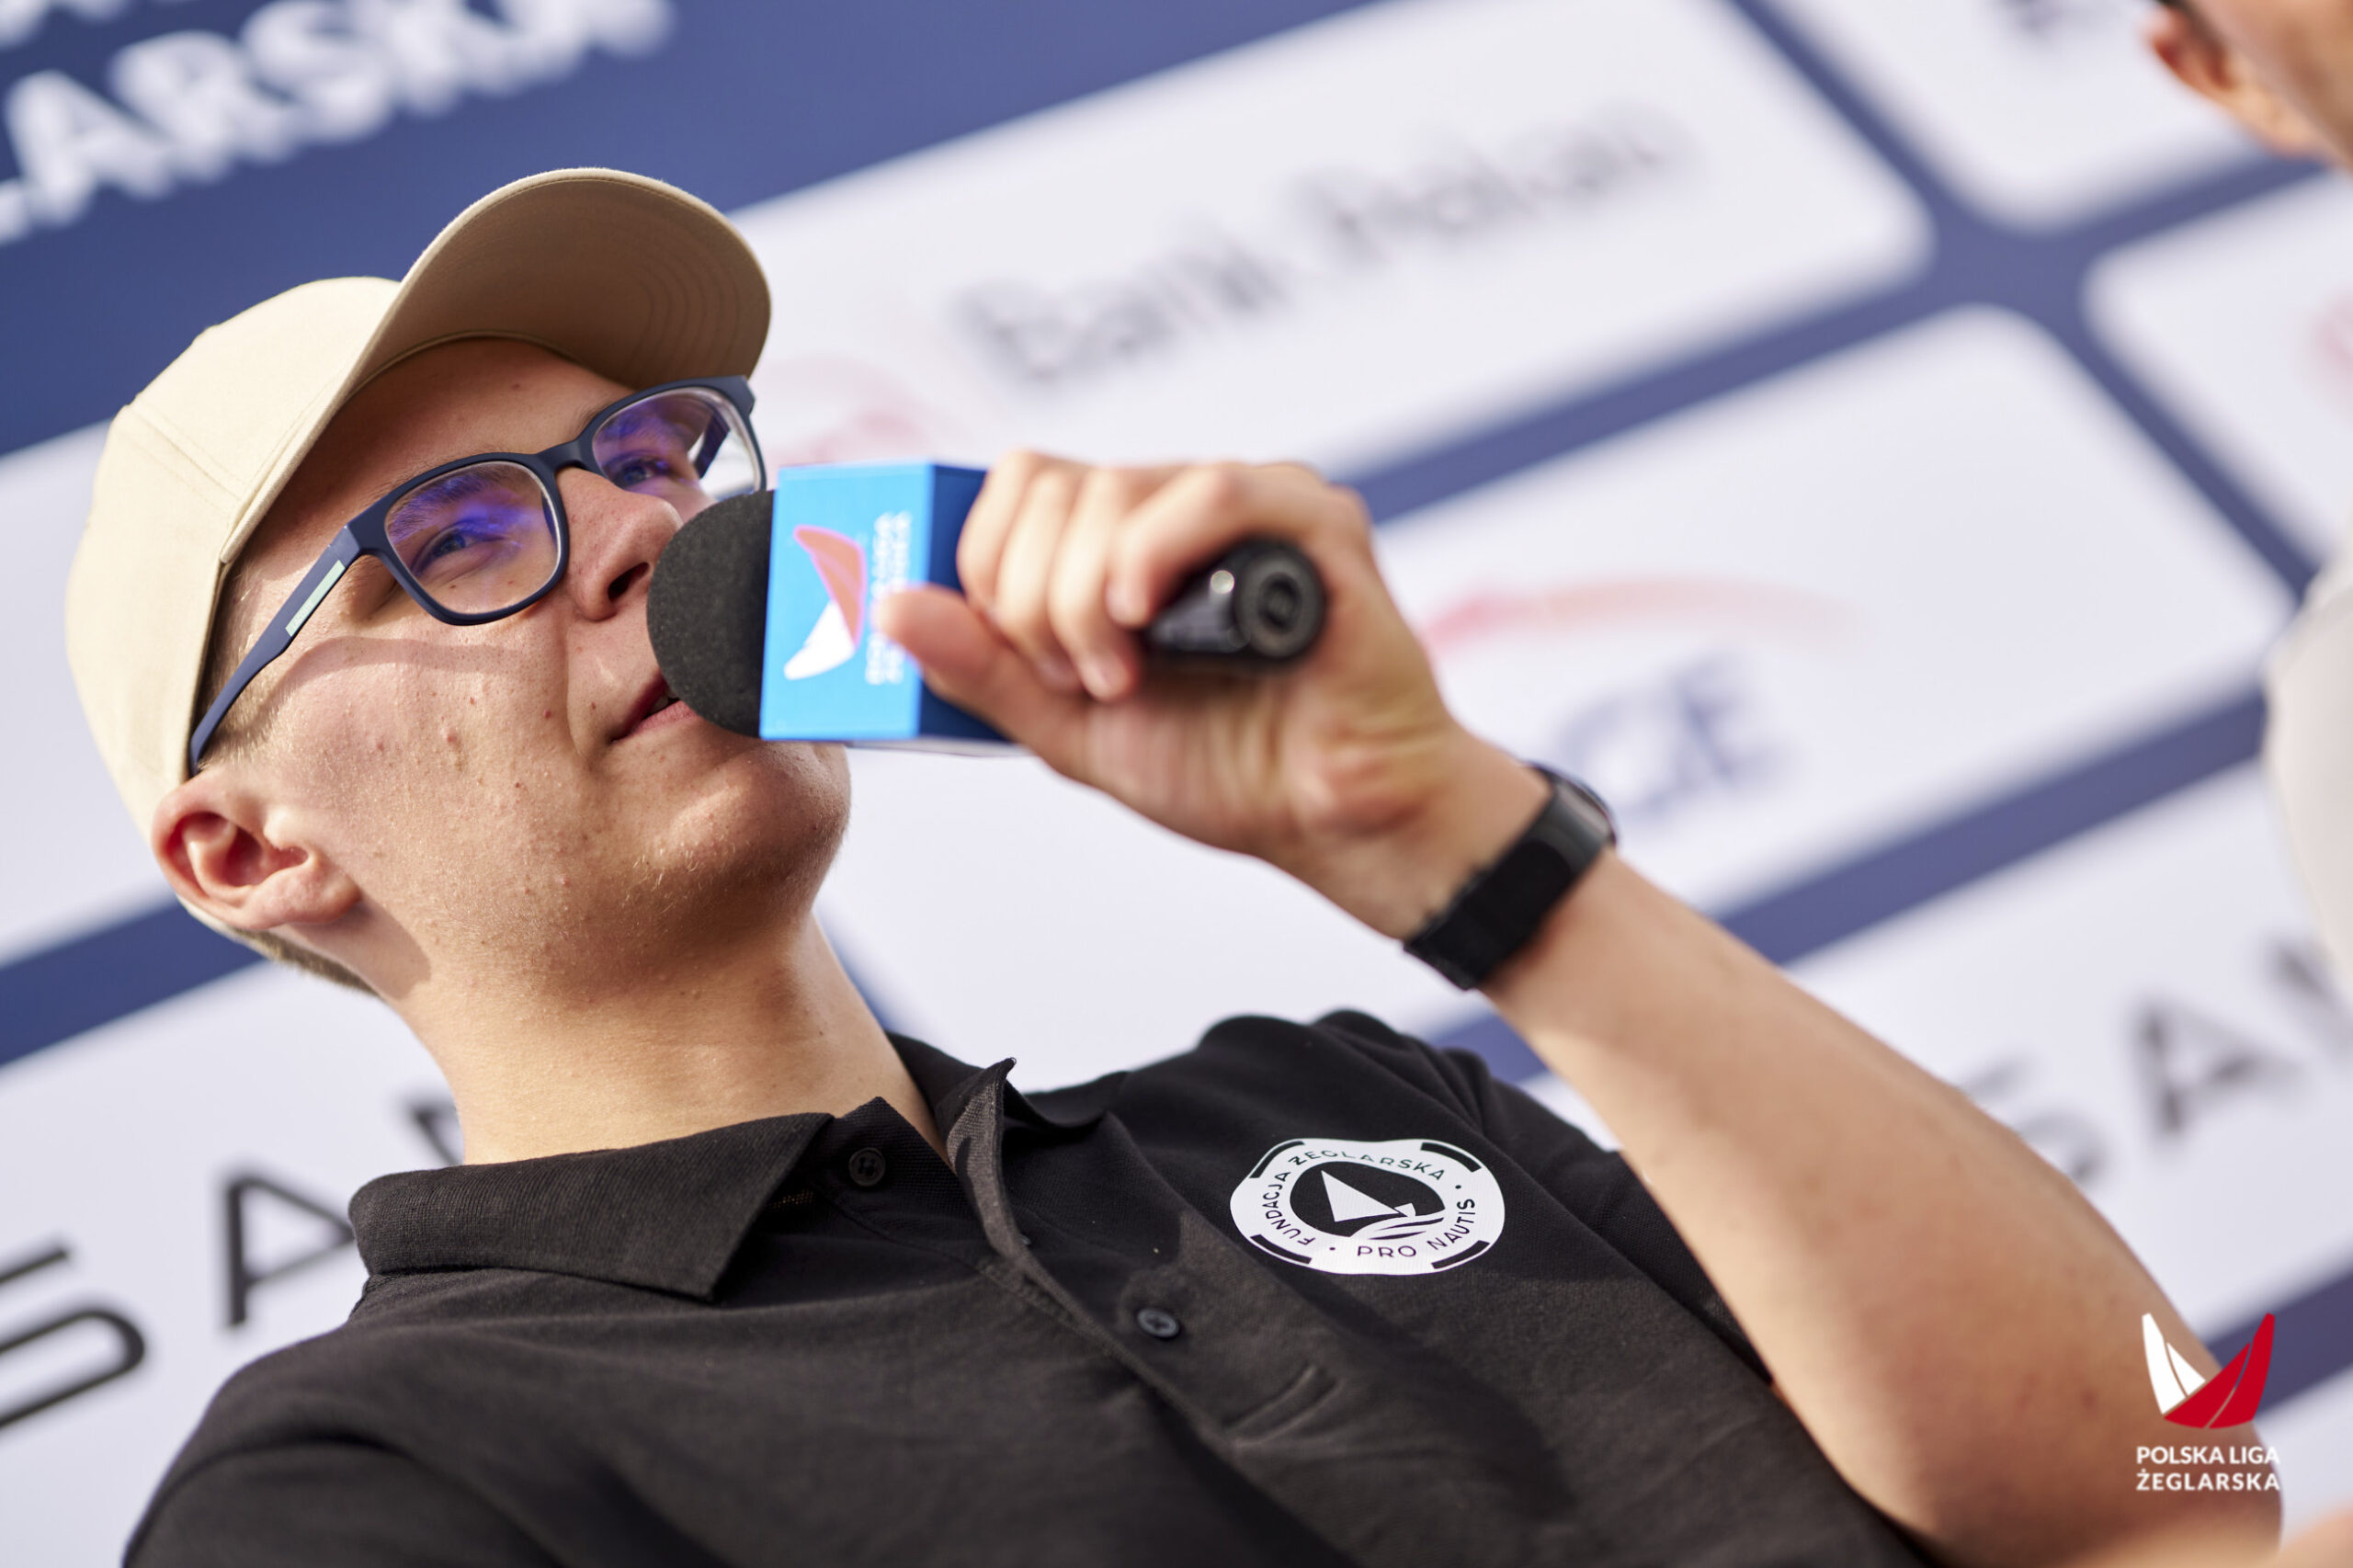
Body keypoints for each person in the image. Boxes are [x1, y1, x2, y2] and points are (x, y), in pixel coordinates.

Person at [68, 168, 2271, 1568]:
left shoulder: (1338, 1094)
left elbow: (2173, 1495)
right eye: (457, 538)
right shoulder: (378, 1483)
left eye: (651, 453)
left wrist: (1453, 844)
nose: (643, 531)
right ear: (247, 850)